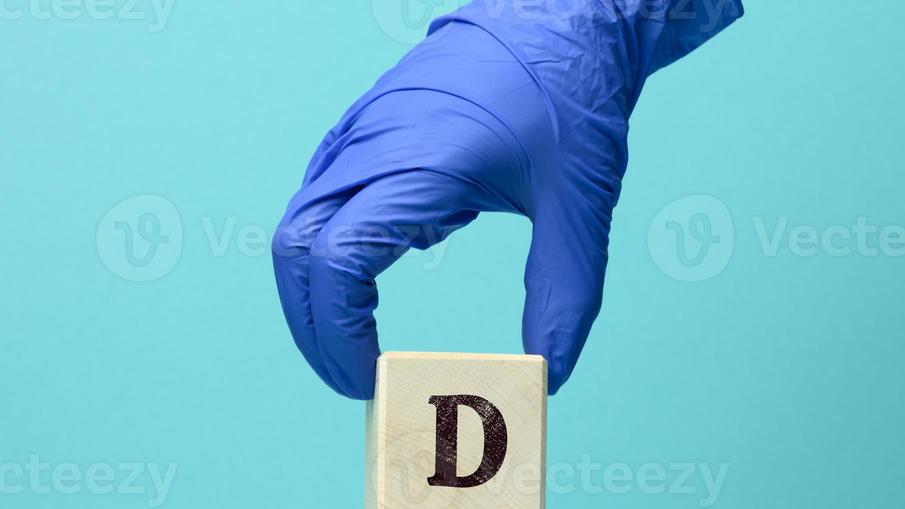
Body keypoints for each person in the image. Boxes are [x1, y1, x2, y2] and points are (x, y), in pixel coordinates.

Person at [272, 0, 744, 399]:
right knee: (313, 249)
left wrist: (561, 26)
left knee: (325, 253)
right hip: (524, 49)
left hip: (550, 59)